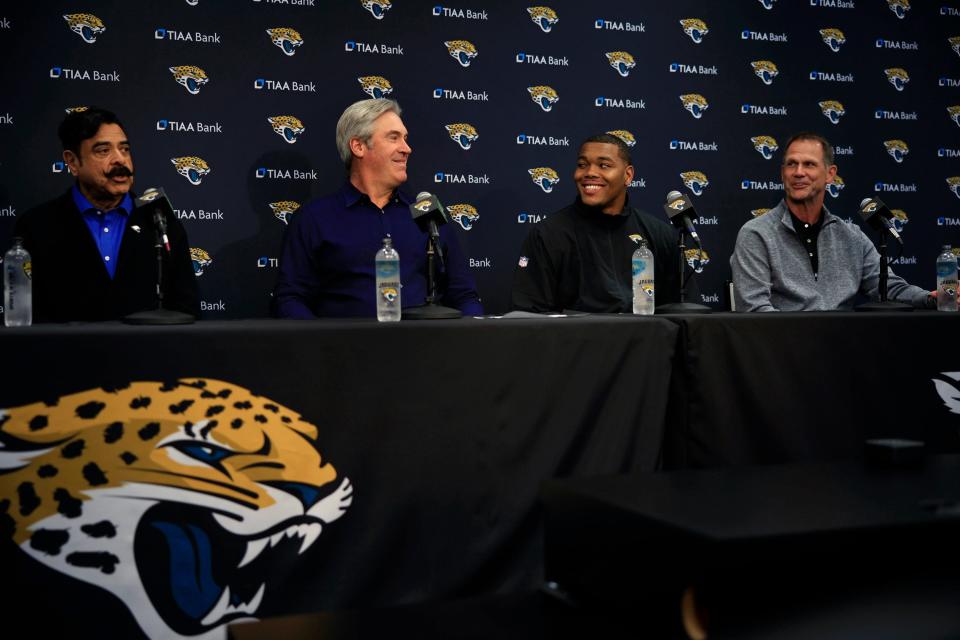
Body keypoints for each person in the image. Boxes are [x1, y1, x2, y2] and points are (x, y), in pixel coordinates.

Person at [274, 99, 482, 318]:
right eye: (394, 138)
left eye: (405, 139)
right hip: (344, 349)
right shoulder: (314, 219)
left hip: (424, 348)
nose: (407, 149)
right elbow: (290, 299)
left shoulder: (428, 215)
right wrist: (322, 346)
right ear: (358, 146)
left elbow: (464, 296)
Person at [14, 107, 198, 322]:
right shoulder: (37, 226)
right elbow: (26, 318)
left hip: (148, 354)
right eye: (103, 151)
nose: (120, 160)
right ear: (72, 161)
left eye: (125, 149)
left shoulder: (160, 220)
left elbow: (187, 310)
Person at [730, 132, 934, 311]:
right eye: (791, 164)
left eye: (809, 164)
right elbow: (754, 311)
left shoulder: (851, 237)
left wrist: (933, 299)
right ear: (783, 172)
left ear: (830, 174)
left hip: (843, 348)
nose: (798, 172)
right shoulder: (756, 234)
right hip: (783, 351)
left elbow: (889, 288)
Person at [511, 133, 687, 313]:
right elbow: (529, 318)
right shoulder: (548, 235)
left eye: (604, 165)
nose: (589, 173)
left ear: (628, 175)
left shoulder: (659, 234)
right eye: (582, 165)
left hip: (646, 340)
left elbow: (681, 314)